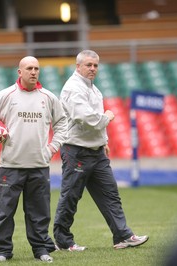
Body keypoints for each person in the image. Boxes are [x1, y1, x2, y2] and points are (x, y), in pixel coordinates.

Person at [53, 50, 148, 251]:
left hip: (95, 151)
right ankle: (63, 241)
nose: (93, 69)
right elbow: (85, 118)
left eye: (95, 65)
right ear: (77, 66)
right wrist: (107, 117)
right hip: (76, 151)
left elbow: (92, 122)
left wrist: (103, 140)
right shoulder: (73, 88)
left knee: (110, 194)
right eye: (88, 65)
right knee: (71, 196)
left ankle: (122, 236)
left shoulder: (93, 89)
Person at [0, 56, 67, 263]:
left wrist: (52, 147)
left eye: (36, 68)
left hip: (39, 166)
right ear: (20, 72)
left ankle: (41, 249)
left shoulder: (48, 97)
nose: (33, 72)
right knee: (5, 213)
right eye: (29, 68)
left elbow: (62, 123)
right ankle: (2, 251)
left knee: (39, 213)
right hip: (11, 166)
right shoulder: (6, 96)